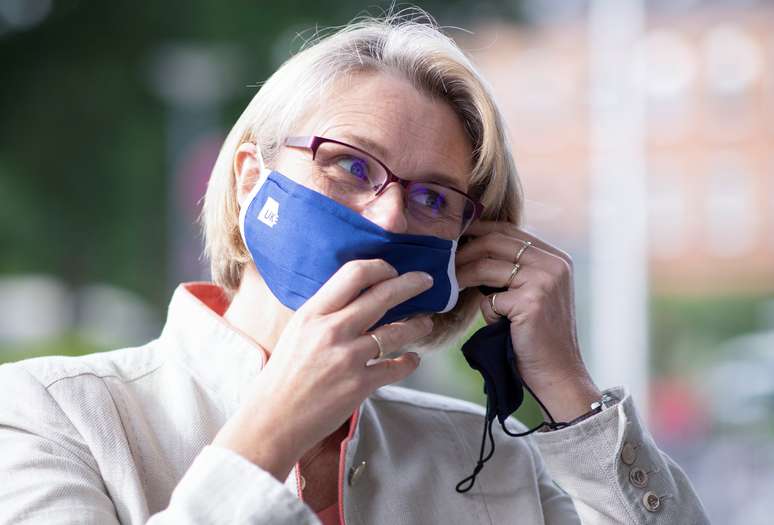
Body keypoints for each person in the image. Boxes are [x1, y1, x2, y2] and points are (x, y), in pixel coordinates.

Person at [0, 9, 709, 525]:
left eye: (432, 196)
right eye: (348, 164)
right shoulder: (51, 412)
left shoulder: (476, 454)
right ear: (251, 180)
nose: (388, 218)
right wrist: (269, 431)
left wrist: (566, 387)